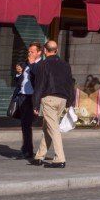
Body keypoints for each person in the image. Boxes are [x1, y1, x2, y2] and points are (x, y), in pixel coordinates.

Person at [31, 39, 76, 169]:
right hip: (62, 99)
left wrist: (35, 104)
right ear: (56, 51)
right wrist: (70, 101)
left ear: (45, 51)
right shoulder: (65, 65)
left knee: (53, 128)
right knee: (48, 127)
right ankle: (39, 156)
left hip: (49, 99)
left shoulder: (43, 64)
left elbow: (39, 85)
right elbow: (70, 83)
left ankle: (60, 159)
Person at [11, 42, 42, 164]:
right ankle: (26, 149)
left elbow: (38, 76)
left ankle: (27, 150)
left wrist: (32, 62)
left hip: (32, 98)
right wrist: (18, 72)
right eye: (29, 51)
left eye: (32, 52)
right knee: (24, 124)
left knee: (27, 124)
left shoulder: (40, 64)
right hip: (22, 96)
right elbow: (19, 80)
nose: (30, 54)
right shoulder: (25, 63)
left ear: (39, 52)